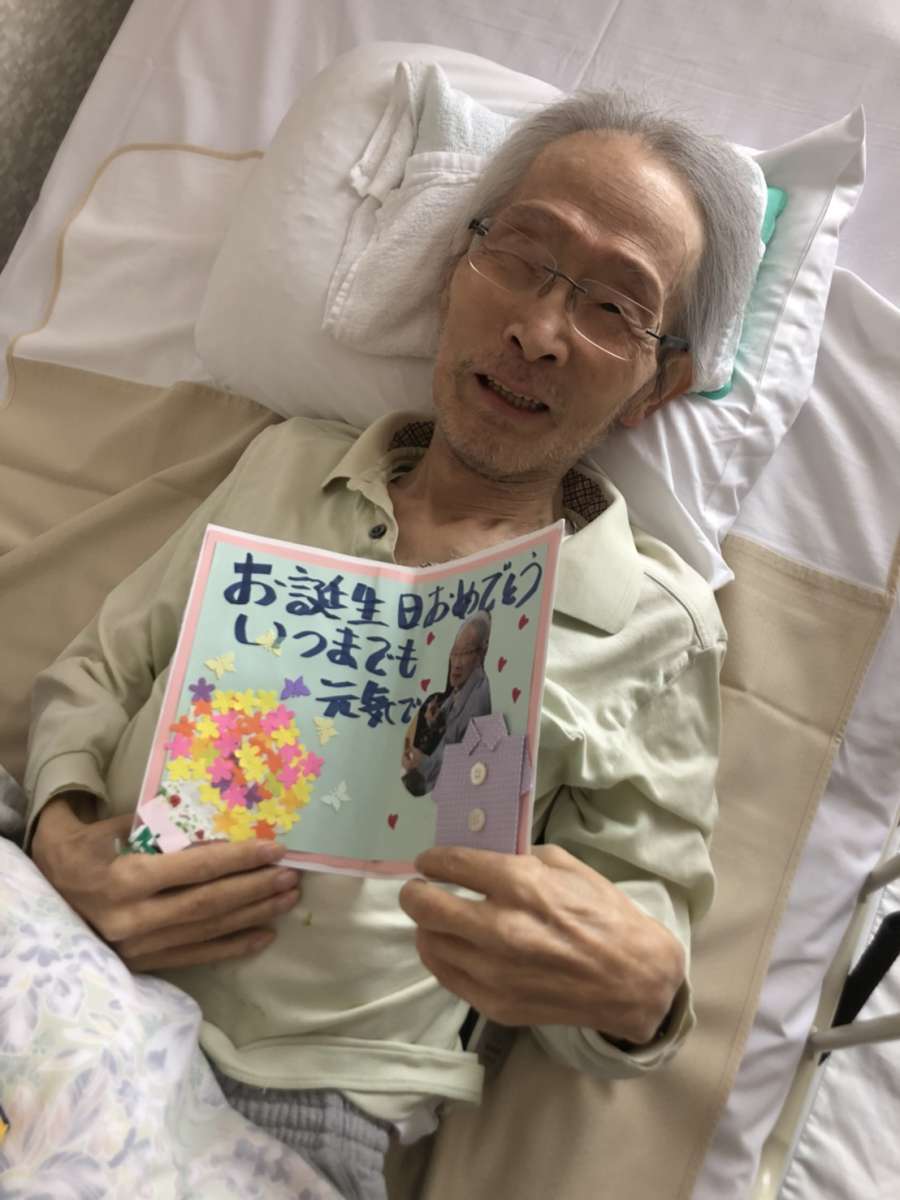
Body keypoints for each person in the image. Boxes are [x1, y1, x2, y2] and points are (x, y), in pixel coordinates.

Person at [24, 88, 761, 1200]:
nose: (540, 331)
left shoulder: (655, 624)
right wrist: (62, 838)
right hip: (58, 941)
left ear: (655, 386)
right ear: (455, 269)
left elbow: (639, 928)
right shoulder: (286, 466)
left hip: (288, 1102)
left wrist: (643, 994)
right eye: (522, 256)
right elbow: (99, 671)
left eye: (615, 307)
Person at [400, 613, 492, 795]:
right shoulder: (463, 687)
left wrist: (419, 763)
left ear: (481, 653)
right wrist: (435, 721)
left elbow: (457, 764)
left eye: (465, 653)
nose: (456, 663)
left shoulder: (478, 700)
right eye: (454, 653)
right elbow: (449, 723)